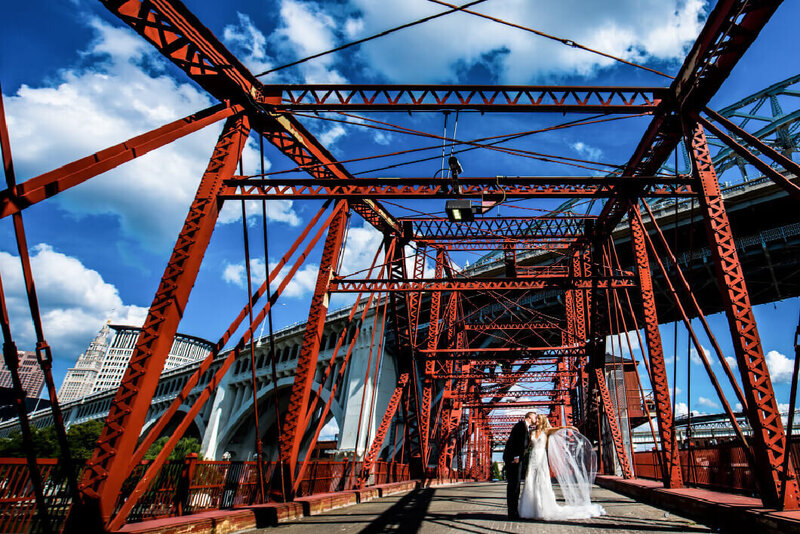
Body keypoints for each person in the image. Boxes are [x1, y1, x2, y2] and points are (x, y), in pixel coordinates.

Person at [519, 414, 605, 520]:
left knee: (541, 481)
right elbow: (526, 447)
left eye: (538, 419)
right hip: (532, 459)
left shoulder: (546, 431)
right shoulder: (531, 432)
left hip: (541, 458)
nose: (536, 420)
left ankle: (542, 508)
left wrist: (570, 427)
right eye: (536, 419)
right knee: (530, 480)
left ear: (542, 421)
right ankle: (529, 509)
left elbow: (559, 428)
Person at [502, 412, 536, 519]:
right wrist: (516, 456)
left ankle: (513, 512)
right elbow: (515, 442)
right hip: (514, 459)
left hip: (516, 458)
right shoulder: (520, 425)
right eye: (535, 416)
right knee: (513, 486)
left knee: (515, 485)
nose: (536, 417)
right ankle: (512, 513)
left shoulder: (524, 427)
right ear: (529, 417)